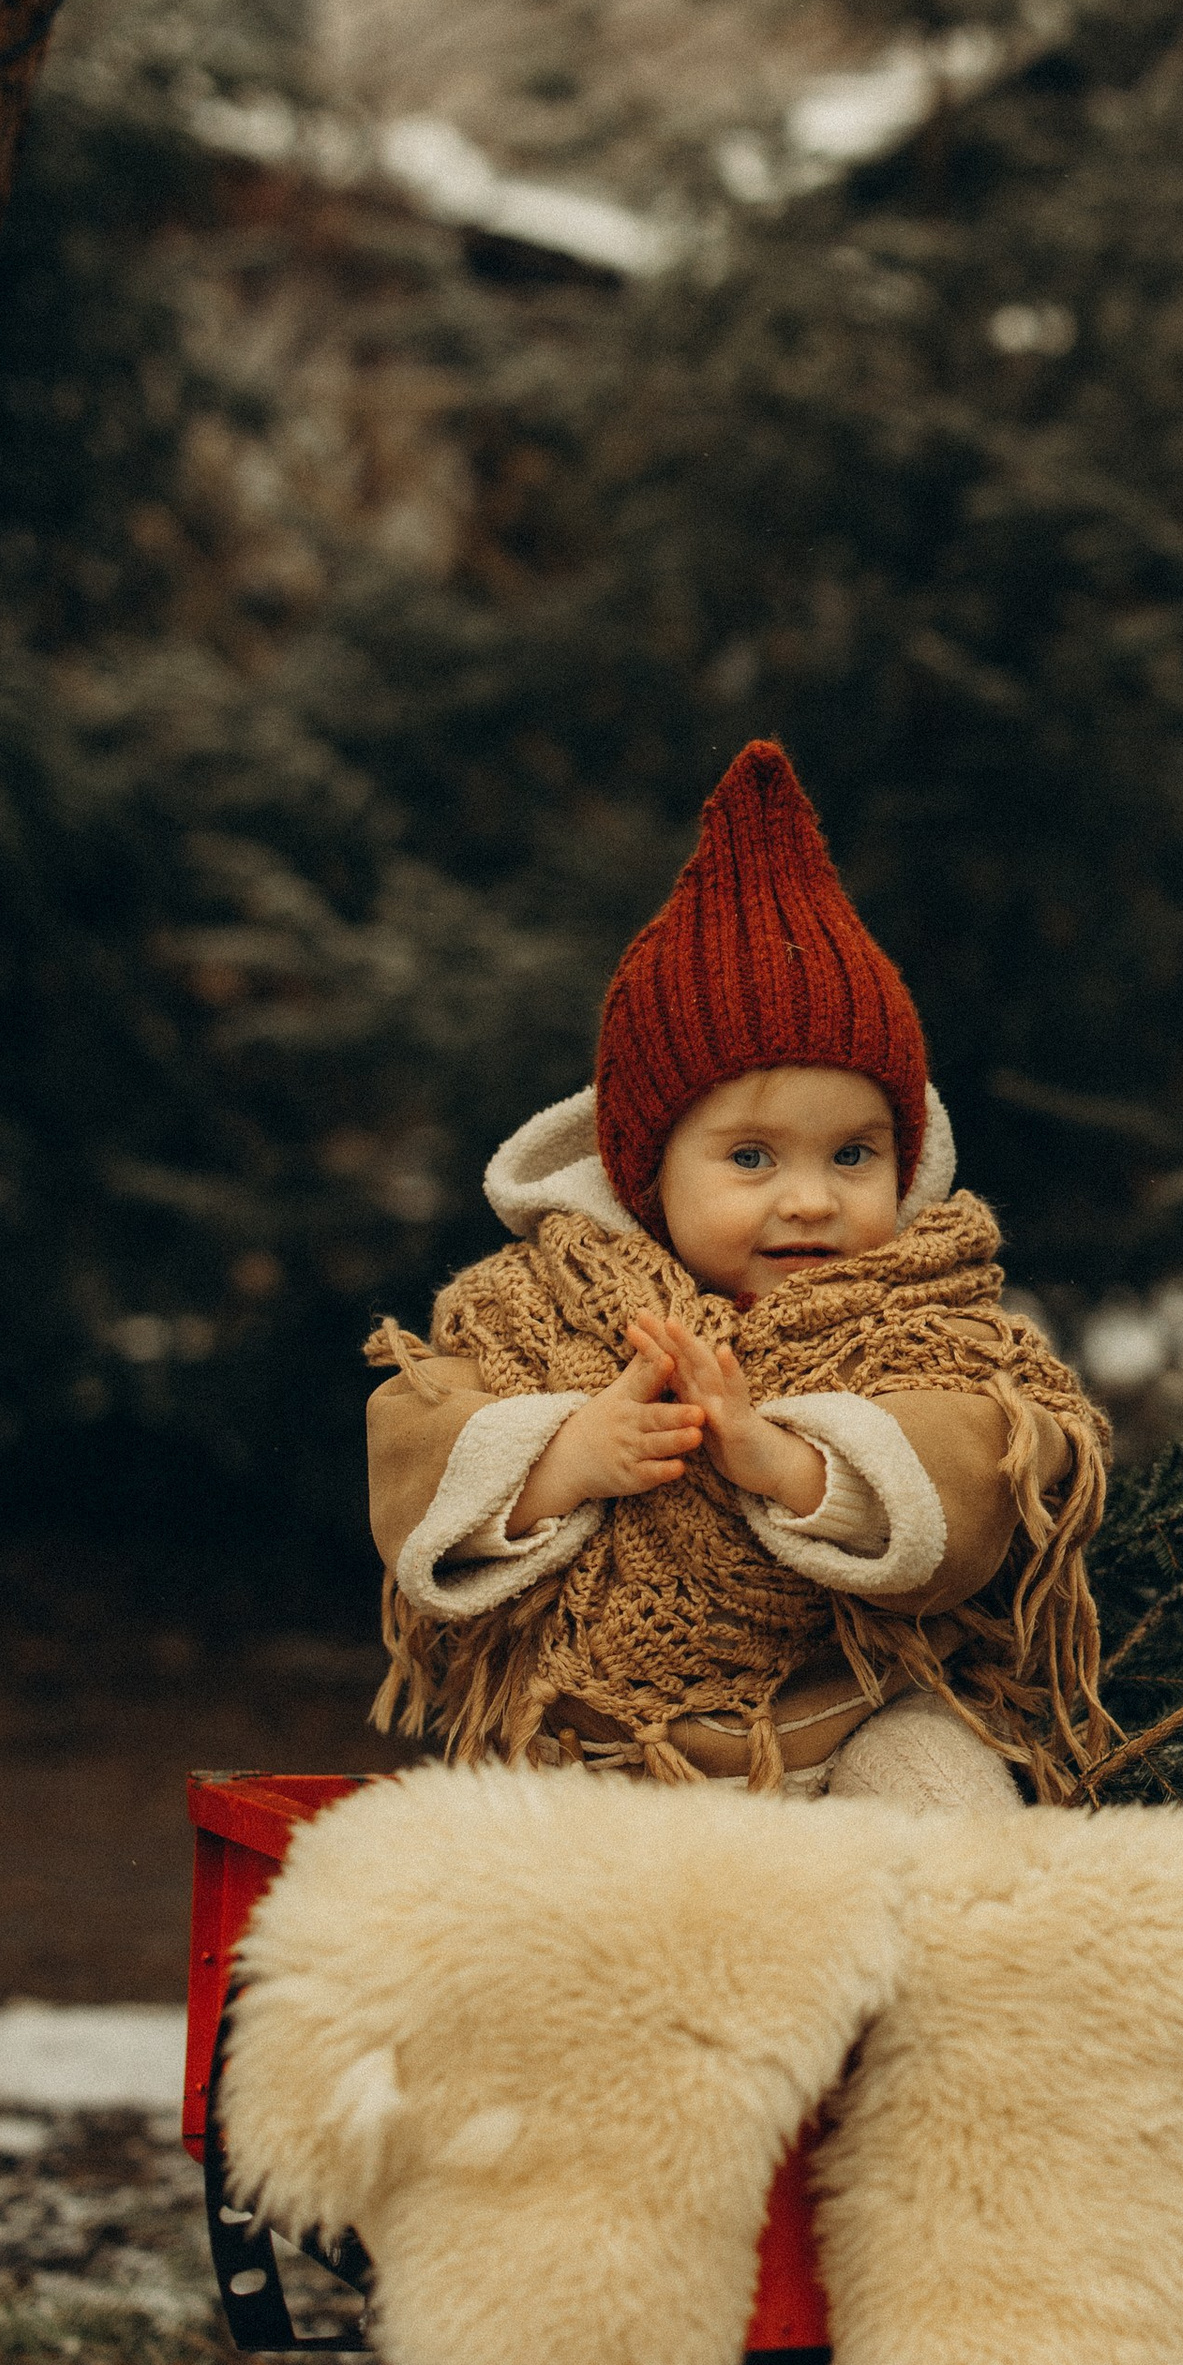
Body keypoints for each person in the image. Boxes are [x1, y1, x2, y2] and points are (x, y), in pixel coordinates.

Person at [364, 742, 1110, 1814]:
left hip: (856, 1704)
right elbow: (415, 1446)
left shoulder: (928, 1312)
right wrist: (566, 1454)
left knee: (947, 1793)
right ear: (645, 1171)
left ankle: (962, 1917)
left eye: (852, 1155)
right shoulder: (539, 1305)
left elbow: (975, 1466)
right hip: (597, 1737)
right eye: (752, 1157)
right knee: (527, 1856)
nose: (809, 1199)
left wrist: (786, 1461)